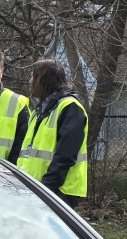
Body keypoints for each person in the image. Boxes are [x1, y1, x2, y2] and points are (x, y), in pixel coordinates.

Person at [17, 58, 88, 208]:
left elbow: (65, 155)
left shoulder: (70, 107)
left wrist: (48, 186)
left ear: (43, 79)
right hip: (36, 188)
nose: (30, 82)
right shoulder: (40, 111)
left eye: (33, 77)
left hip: (58, 191)